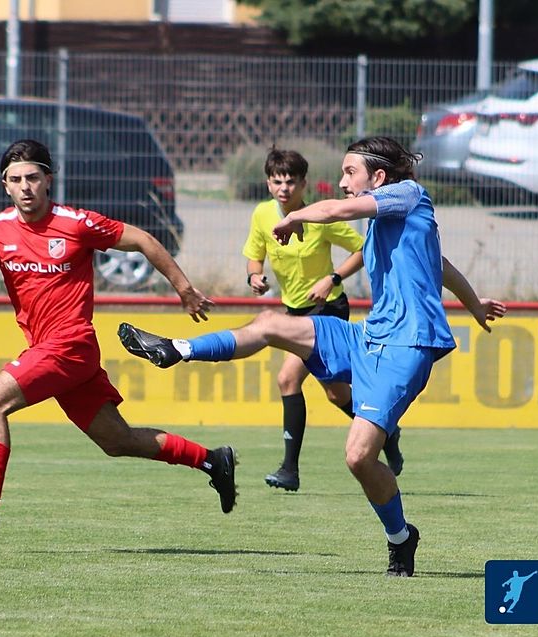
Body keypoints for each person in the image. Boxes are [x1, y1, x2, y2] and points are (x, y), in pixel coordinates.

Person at [119, 136, 507, 576]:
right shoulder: (393, 220)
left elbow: (339, 211)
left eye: (348, 172)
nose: (341, 183)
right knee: (270, 323)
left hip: (406, 348)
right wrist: (475, 306)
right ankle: (176, 349)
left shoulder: (408, 194)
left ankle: (401, 537)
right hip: (367, 337)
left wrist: (297, 215)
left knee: (359, 456)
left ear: (378, 177)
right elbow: (441, 264)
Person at [0, 139, 237, 538]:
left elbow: (143, 239)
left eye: (33, 178)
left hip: (70, 344)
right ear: (5, 185)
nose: (26, 187)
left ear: (48, 180)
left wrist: (184, 289)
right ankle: (213, 460)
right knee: (118, 440)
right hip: (53, 352)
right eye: (16, 179)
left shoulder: (75, 223)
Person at [243, 147, 402, 492]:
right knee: (335, 394)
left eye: (291, 181)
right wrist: (254, 277)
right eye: (276, 181)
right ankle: (385, 431)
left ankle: (289, 469)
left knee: (287, 379)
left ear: (304, 184)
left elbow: (364, 249)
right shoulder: (261, 215)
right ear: (268, 185)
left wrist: (332, 278)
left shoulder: (317, 218)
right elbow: (254, 256)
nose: (283, 188)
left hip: (327, 308)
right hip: (294, 310)